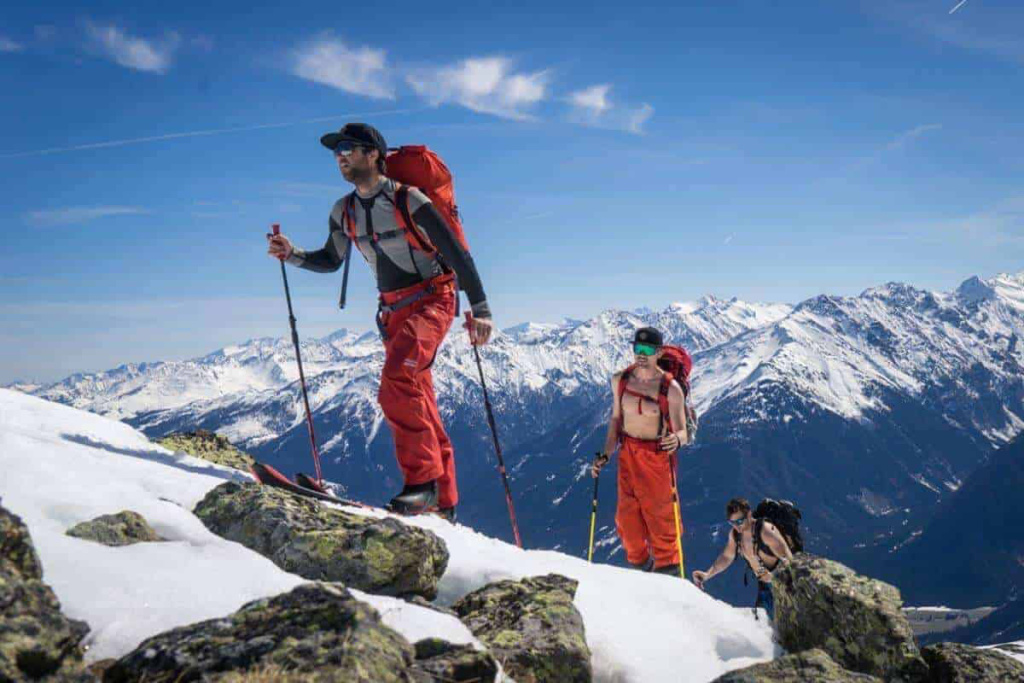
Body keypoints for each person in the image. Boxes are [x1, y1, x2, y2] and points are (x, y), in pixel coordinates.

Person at [267, 123, 493, 519]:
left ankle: (421, 484)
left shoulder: (411, 200)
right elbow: (331, 260)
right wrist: (292, 254)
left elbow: (458, 256)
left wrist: (482, 309)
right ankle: (444, 503)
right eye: (336, 151)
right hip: (392, 312)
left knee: (397, 381)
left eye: (349, 149)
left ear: (374, 154)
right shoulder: (344, 210)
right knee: (418, 394)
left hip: (432, 300)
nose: (340, 156)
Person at [592, 327, 689, 575]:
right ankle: (642, 574)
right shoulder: (621, 380)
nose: (641, 354)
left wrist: (676, 440)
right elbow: (615, 420)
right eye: (637, 348)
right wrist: (605, 454)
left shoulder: (671, 389)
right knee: (626, 522)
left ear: (658, 353)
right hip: (627, 455)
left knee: (663, 524)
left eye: (646, 350)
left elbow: (683, 432)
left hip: (656, 458)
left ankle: (669, 577)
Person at [692, 497, 794, 620]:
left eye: (740, 521)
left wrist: (774, 577)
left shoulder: (765, 531)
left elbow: (789, 561)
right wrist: (707, 574)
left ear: (749, 514)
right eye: (732, 523)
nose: (737, 526)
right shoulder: (736, 535)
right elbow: (727, 556)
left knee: (783, 628)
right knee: (767, 628)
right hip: (765, 586)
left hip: (784, 586)